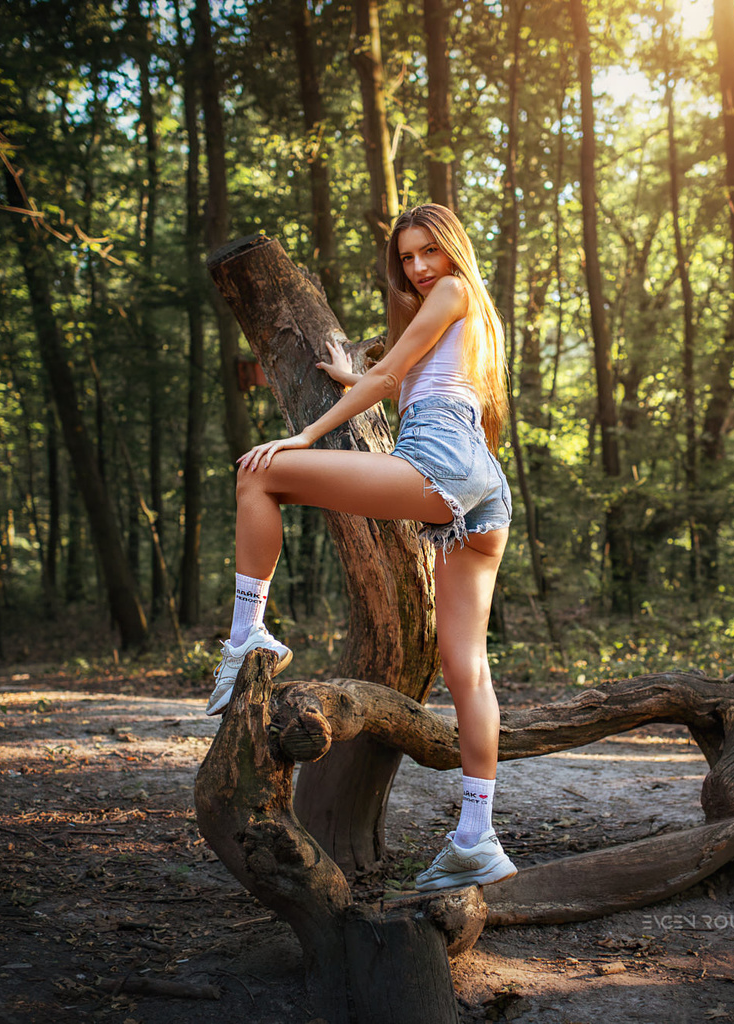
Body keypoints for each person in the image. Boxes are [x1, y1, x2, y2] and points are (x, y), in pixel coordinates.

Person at [205, 203, 516, 891]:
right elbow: (399, 375)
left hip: (443, 466)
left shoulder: (454, 290)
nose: (419, 266)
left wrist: (305, 435)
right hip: (483, 491)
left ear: (452, 249)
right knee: (466, 667)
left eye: (429, 250)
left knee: (259, 475)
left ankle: (245, 635)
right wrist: (362, 375)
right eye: (407, 257)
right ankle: (478, 836)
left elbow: (386, 378)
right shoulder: (468, 317)